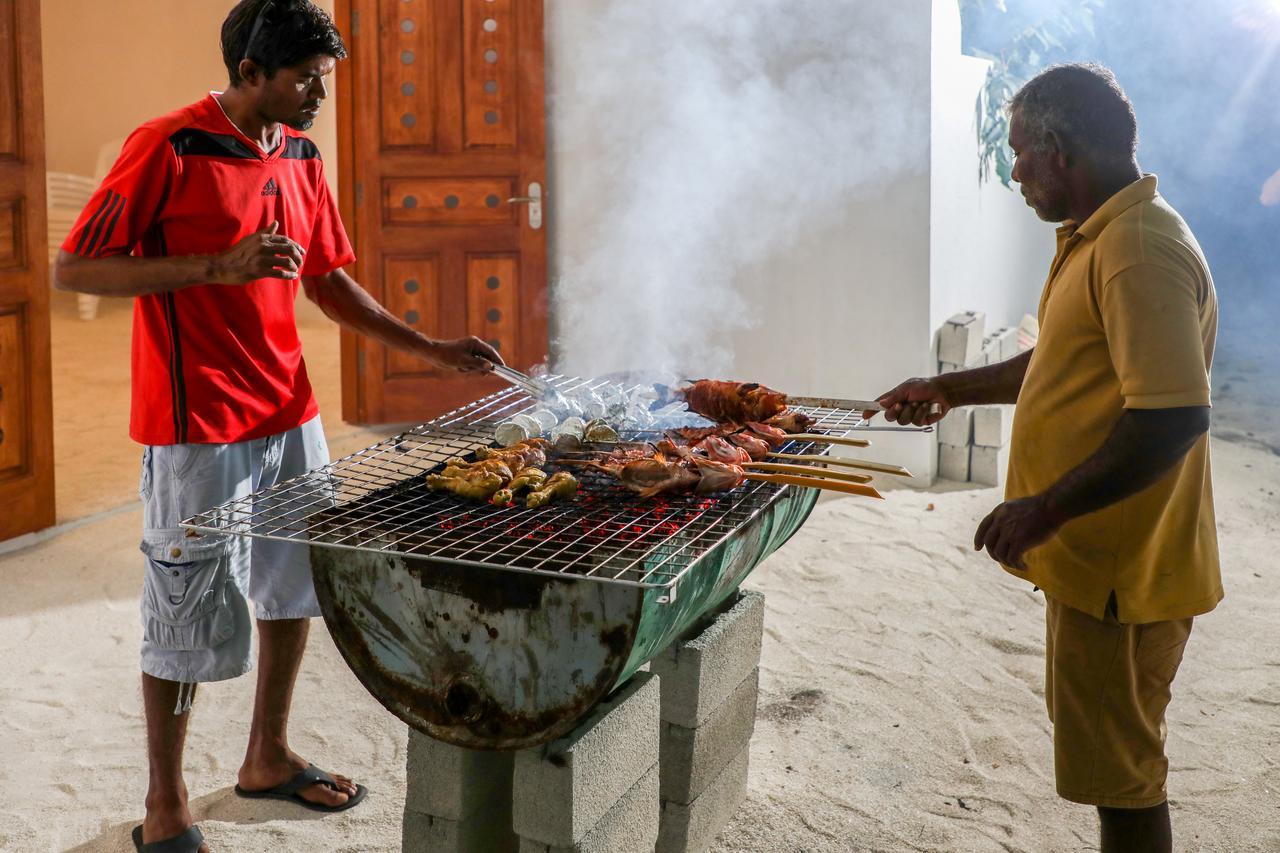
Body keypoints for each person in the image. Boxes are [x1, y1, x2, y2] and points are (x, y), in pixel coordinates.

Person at [53, 3, 503, 851]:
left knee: (293, 582)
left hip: (289, 409)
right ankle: (165, 804)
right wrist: (216, 267)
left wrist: (434, 350)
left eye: (323, 80)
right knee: (183, 600)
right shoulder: (169, 145)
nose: (318, 96)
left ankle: (266, 754)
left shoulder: (299, 152)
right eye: (305, 79)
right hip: (196, 423)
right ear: (251, 71)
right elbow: (78, 266)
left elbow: (329, 282)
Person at [868, 64, 1219, 853]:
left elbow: (1174, 416)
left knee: (1124, 779)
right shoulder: (1099, 235)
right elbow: (1060, 360)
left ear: (1061, 151)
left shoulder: (1137, 249)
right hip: (1105, 564)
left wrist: (1046, 505)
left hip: (1122, 570)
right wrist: (951, 387)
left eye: (1022, 152)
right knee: (1112, 762)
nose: (1015, 170)